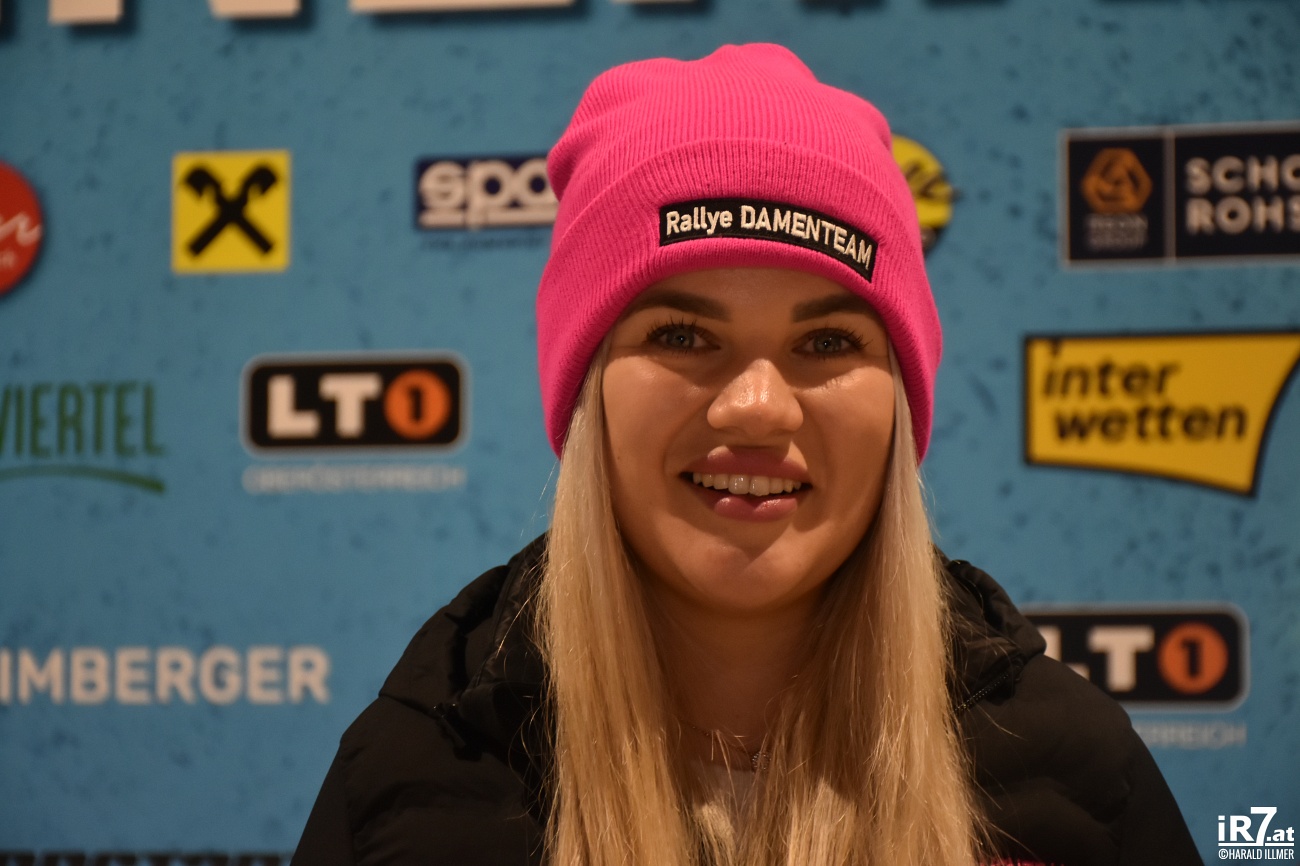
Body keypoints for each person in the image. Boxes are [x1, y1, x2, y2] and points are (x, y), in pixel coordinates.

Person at [291, 43, 1201, 866]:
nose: (758, 406)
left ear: (899, 401)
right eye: (682, 335)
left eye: (829, 342)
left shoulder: (1075, 782)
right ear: (587, 393)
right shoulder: (418, 778)